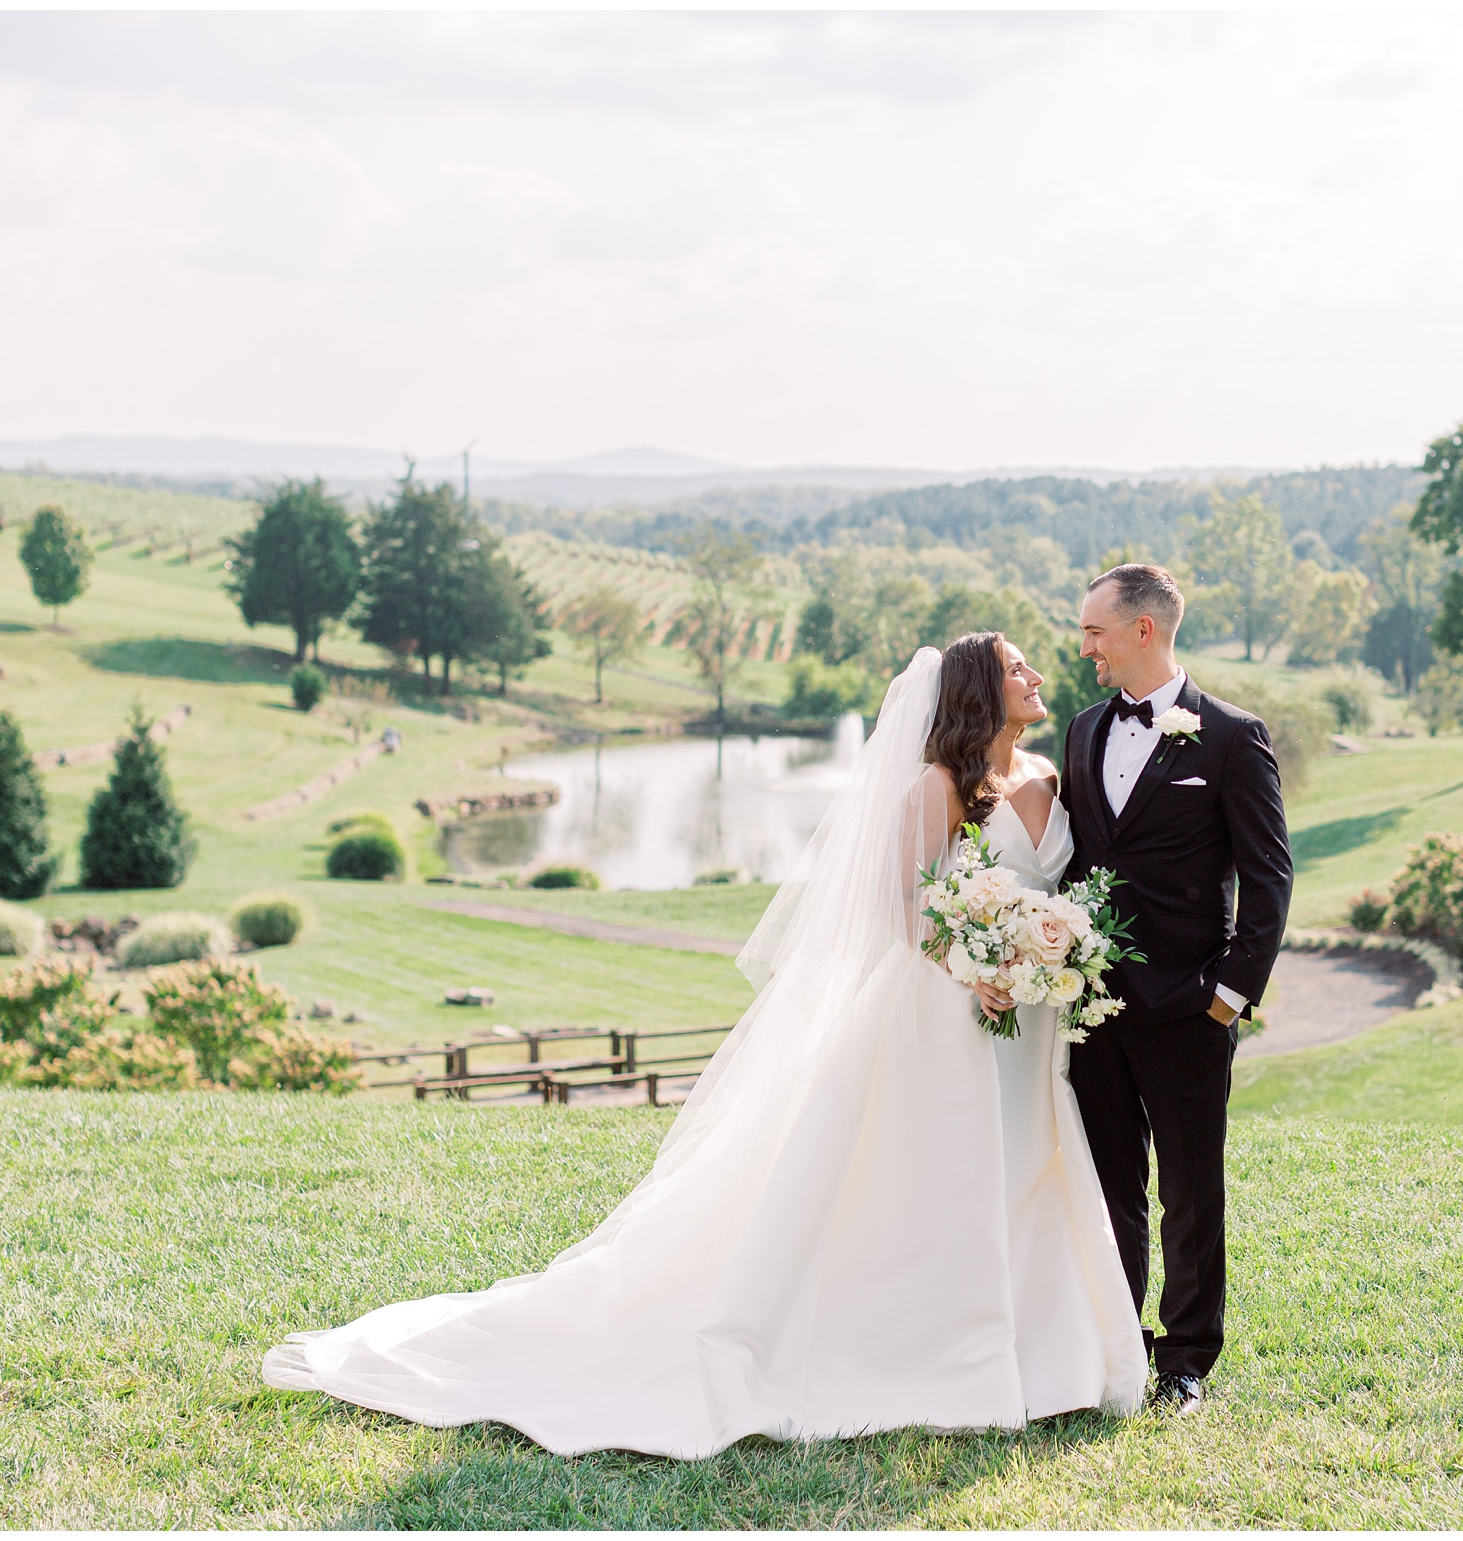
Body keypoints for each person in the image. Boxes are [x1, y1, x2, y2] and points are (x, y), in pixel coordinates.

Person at [262, 634, 1145, 1458]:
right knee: (933, 1177)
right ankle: (930, 1349)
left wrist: (1042, 949)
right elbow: (901, 910)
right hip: (942, 1013)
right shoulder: (934, 787)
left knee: (1025, 1165)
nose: (1035, 676)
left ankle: (1042, 1354)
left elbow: (1050, 885)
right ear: (978, 693)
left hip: (1028, 1019)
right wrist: (973, 963)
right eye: (1017, 668)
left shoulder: (1048, 774)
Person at [1057, 562, 1292, 1414]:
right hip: (1092, 1008)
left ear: (1143, 630)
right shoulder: (1082, 730)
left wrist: (1230, 996)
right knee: (1109, 1183)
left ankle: (1187, 1361)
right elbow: (1078, 861)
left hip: (1190, 1008)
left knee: (1190, 1190)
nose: (1084, 648)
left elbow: (1270, 879)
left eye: (1094, 632)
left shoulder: (1233, 736)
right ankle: (1120, 1346)